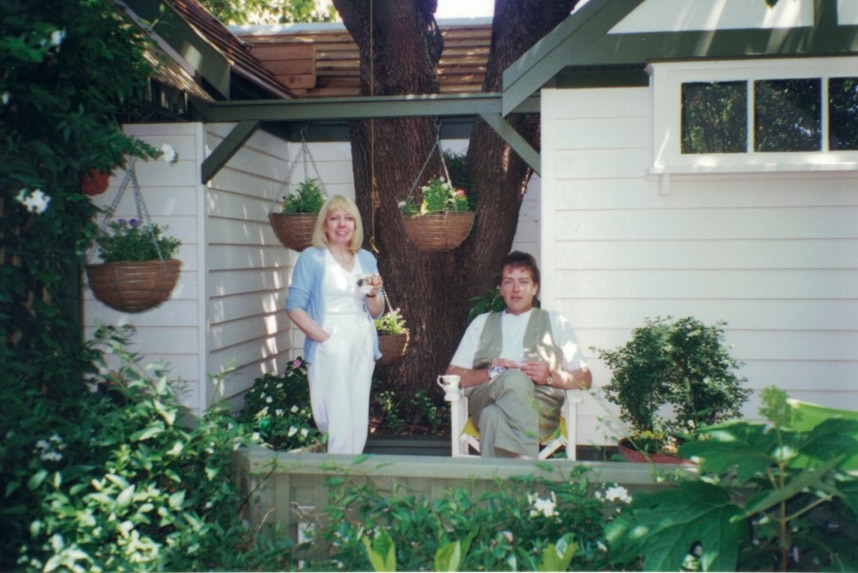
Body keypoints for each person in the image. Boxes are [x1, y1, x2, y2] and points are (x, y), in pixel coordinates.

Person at [445, 251, 592, 459]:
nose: (516, 289)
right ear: (500, 288)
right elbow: (453, 374)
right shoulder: (482, 322)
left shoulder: (555, 322)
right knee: (513, 379)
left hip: (539, 408)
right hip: (488, 396)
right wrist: (491, 373)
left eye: (523, 282)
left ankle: (497, 487)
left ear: (535, 288)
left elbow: (585, 378)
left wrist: (549, 376)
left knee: (492, 417)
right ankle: (528, 472)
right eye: (508, 282)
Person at [286, 195, 385, 454]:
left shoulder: (365, 259)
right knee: (333, 413)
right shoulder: (313, 258)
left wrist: (374, 293)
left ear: (356, 225)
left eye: (348, 218)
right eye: (335, 218)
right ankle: (339, 479)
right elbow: (294, 306)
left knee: (355, 411)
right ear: (325, 226)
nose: (342, 224)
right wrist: (323, 337)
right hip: (330, 340)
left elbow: (376, 311)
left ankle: (350, 473)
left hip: (361, 340)